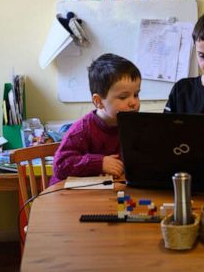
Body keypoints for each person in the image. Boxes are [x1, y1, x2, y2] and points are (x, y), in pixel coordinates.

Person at [50, 53, 141, 185]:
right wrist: (99, 163)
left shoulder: (134, 126)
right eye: (123, 97)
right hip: (70, 197)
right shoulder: (82, 130)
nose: (133, 102)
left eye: (136, 94)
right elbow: (60, 165)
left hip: (109, 192)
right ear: (98, 101)